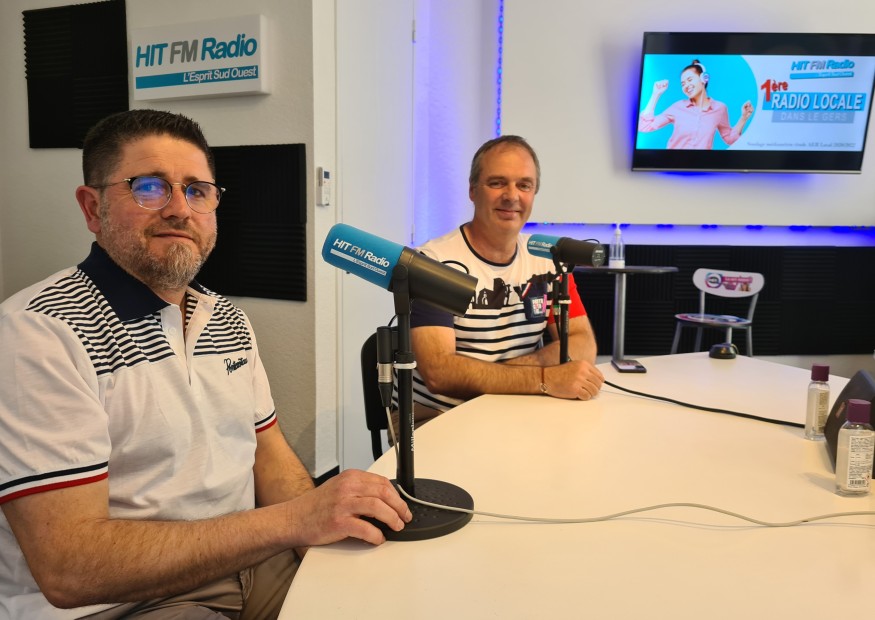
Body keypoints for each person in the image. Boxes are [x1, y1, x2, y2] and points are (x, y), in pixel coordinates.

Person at [0, 109, 411, 619]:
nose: (179, 209)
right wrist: (294, 522)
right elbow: (71, 568)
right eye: (149, 187)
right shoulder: (39, 333)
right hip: (125, 604)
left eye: (197, 191)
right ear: (92, 208)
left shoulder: (227, 318)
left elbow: (268, 455)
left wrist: (317, 546)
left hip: (251, 562)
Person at [407, 135, 604, 422]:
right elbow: (440, 374)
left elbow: (582, 343)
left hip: (519, 405)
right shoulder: (433, 263)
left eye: (524, 185)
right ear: (472, 190)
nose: (512, 196)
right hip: (441, 414)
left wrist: (503, 374)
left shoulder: (548, 258)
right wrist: (544, 377)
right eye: (497, 183)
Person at [638, 59, 754, 149]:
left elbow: (730, 139)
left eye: (689, 80)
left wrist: (743, 118)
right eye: (683, 84)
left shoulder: (720, 108)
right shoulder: (678, 107)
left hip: (701, 167)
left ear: (704, 78)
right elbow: (644, 126)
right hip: (673, 165)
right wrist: (655, 94)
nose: (686, 86)